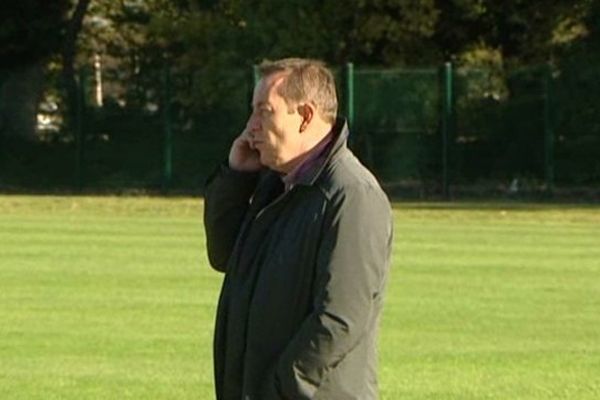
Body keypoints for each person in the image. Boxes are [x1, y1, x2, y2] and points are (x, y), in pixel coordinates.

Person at [204, 58, 392, 400]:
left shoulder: (351, 195)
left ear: (305, 116)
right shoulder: (276, 186)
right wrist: (235, 178)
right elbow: (225, 256)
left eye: (264, 111)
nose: (250, 128)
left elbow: (339, 320)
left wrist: (280, 389)